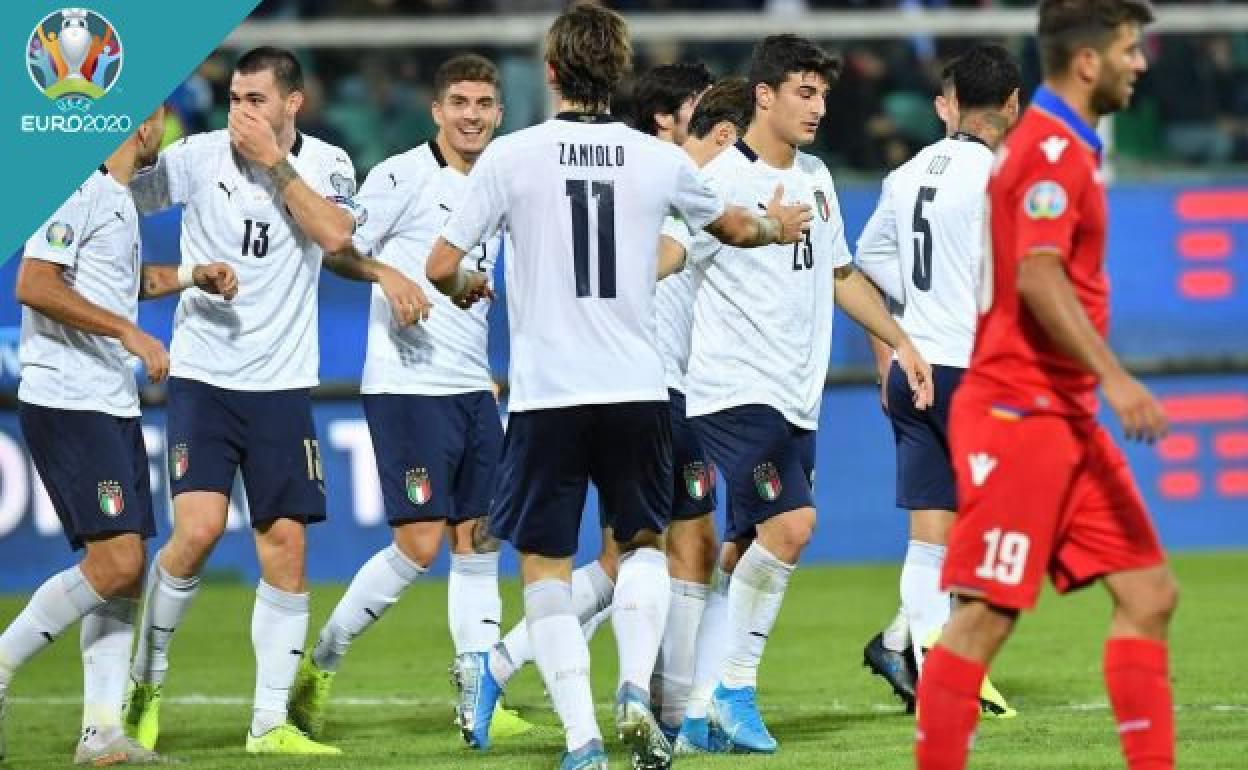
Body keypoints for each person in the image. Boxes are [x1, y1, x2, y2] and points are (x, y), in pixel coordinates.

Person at [426, 5, 811, 769]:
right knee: (642, 546)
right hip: (638, 388)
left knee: (543, 563)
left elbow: (441, 265)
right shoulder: (655, 159)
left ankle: (583, 741)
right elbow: (732, 228)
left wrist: (470, 283)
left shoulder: (512, 156)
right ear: (619, 72)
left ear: (550, 71)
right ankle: (636, 688)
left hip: (547, 395)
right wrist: (775, 227)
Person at [122, 46, 425, 756]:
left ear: (292, 105)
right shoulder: (198, 157)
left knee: (286, 547)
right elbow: (125, 192)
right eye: (233, 99)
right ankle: (145, 679)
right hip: (204, 376)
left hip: (283, 384)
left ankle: (268, 726)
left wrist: (275, 165)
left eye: (256, 100)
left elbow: (335, 235)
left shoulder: (327, 165)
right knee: (194, 533)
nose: (240, 114)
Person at [914, 2, 1178, 769]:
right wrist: (1117, 379)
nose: (1141, 63)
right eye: (1131, 49)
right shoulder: (1052, 152)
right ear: (1089, 62)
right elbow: (1038, 276)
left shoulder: (1065, 147)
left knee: (1150, 595)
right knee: (983, 620)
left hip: (1064, 418)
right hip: (1019, 414)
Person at [679, 34, 933, 755]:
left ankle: (694, 710)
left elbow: (842, 273)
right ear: (764, 95)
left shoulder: (818, 178)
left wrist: (901, 340)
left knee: (741, 550)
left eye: (824, 93)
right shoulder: (718, 179)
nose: (819, 106)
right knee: (793, 528)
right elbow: (670, 253)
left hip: (796, 394)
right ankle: (736, 687)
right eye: (804, 91)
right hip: (733, 390)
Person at [287, 52, 531, 743]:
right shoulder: (400, 175)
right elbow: (336, 251)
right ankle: (324, 658)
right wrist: (388, 275)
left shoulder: (504, 183)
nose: (472, 116)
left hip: (470, 387)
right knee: (420, 545)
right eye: (459, 102)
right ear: (436, 110)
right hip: (406, 385)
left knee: (479, 541)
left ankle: (479, 694)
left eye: (484, 104)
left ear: (499, 112)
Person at [0, 105, 236, 765]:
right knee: (118, 564)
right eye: (159, 113)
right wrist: (129, 333)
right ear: (140, 125)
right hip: (68, 398)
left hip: (110, 401)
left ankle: (101, 735)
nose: (165, 125)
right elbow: (35, 283)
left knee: (124, 574)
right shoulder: (74, 187)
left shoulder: (116, 197)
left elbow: (113, 284)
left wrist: (192, 275)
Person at [855, 44, 1020, 719]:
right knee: (1000, 532)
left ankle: (914, 653)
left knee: (930, 535)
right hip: (975, 372)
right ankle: (944, 663)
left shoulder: (907, 172)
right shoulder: (1000, 179)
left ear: (955, 102)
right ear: (1010, 106)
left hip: (914, 365)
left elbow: (868, 259)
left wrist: (916, 310)